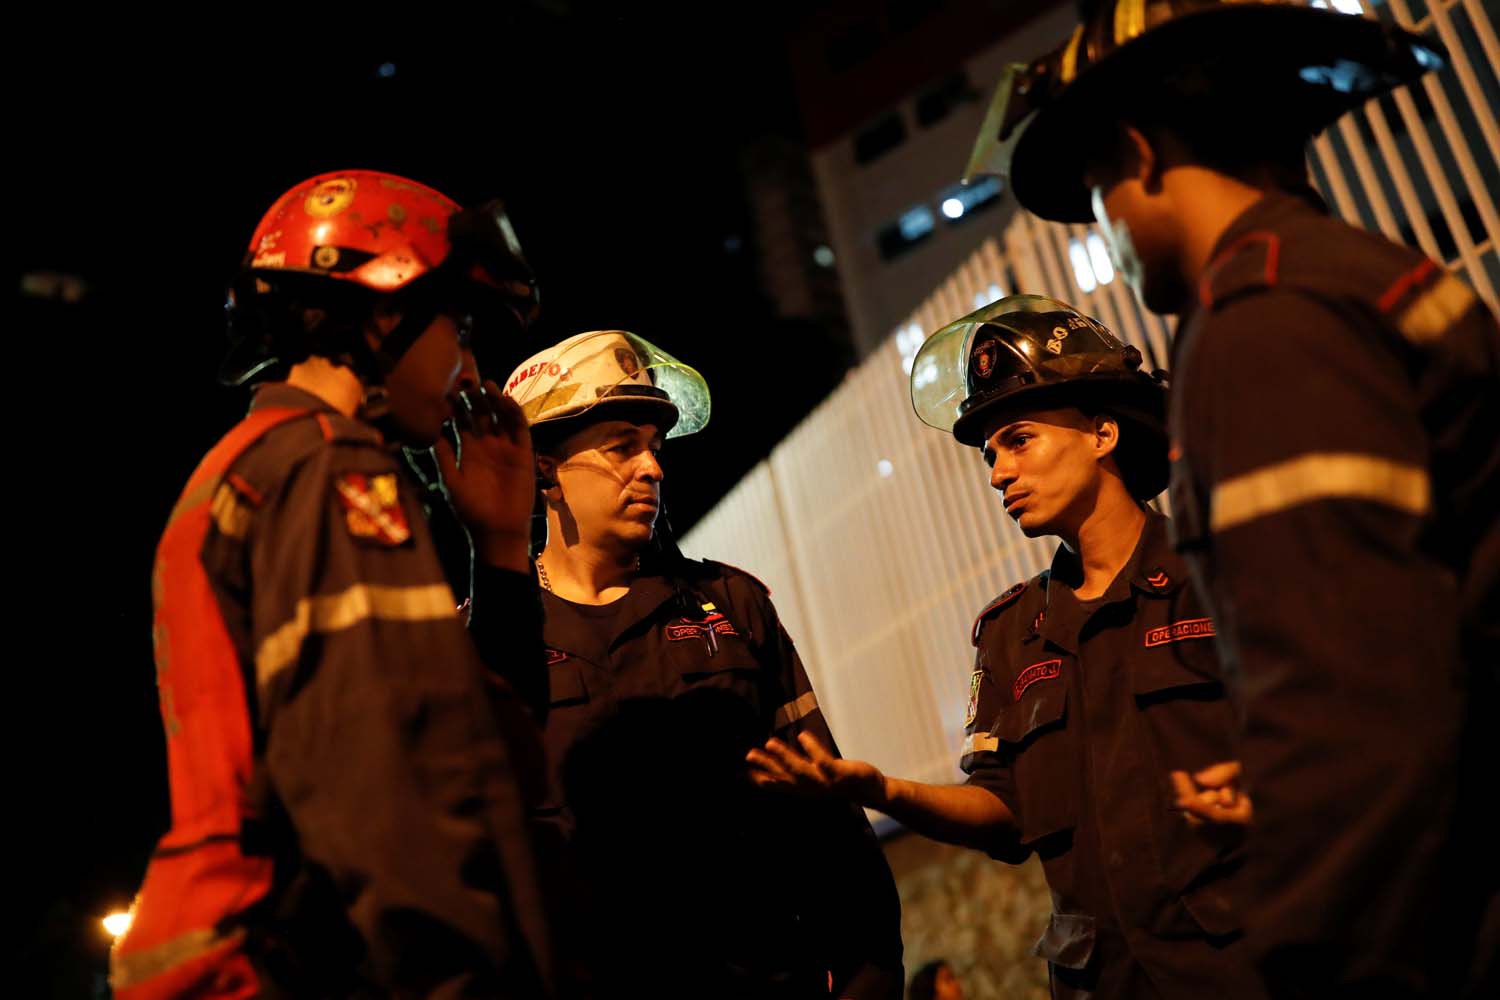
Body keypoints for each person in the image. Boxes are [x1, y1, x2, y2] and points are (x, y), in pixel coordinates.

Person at [969, 3, 1500, 995]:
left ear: (1139, 153)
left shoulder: (1263, 326)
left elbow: (1346, 705)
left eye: (1098, 190)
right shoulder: (1362, 278)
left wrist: (1320, 958)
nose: (1110, 229)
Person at [112, 171, 554, 998]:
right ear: (384, 312)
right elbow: (389, 785)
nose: (469, 367)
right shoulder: (327, 469)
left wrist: (497, 547)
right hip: (313, 963)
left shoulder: (257, 468)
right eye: (458, 326)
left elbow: (464, 744)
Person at [750, 296, 1261, 999]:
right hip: (1099, 984)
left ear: (1102, 432)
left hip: (1244, 967)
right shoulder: (1011, 631)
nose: (997, 472)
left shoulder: (1222, 573)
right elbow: (1006, 813)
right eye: (990, 454)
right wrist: (882, 790)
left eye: (1019, 440)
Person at [503, 330, 905, 999]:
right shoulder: (492, 635)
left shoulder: (731, 605)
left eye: (655, 449)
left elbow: (830, 819)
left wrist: (870, 976)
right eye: (621, 447)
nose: (653, 468)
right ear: (544, 465)